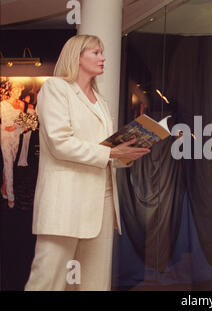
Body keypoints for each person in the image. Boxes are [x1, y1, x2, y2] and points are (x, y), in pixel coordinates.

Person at [25, 34, 150, 291]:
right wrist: (110, 154)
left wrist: (125, 154)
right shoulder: (55, 88)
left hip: (102, 202)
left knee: (95, 283)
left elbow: (104, 151)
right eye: (95, 52)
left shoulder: (101, 101)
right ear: (77, 56)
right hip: (64, 202)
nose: (103, 58)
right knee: (46, 281)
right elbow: (60, 143)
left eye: (102, 52)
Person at [0, 81, 25, 208]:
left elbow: (23, 123)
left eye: (20, 91)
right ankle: (11, 196)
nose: (18, 93)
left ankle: (3, 188)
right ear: (10, 91)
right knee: (8, 164)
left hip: (16, 136)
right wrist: (5, 127)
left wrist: (16, 127)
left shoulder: (21, 104)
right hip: (4, 136)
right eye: (15, 90)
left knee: (9, 164)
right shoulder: (2, 104)